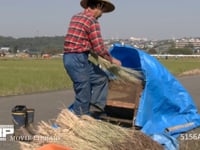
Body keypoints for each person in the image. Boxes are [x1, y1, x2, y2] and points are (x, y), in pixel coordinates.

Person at [63, 0, 121, 116]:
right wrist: (113, 61)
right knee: (84, 93)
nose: (102, 14)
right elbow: (99, 48)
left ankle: (96, 108)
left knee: (101, 79)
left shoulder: (76, 17)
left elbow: (83, 40)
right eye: (103, 10)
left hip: (75, 58)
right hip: (77, 59)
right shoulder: (92, 21)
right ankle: (80, 122)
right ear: (99, 6)